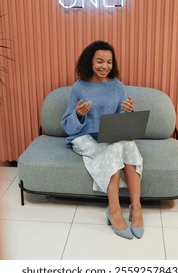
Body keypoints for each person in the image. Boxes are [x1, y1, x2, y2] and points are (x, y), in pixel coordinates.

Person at [61, 40, 144, 239]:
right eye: (99, 61)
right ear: (90, 61)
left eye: (109, 62)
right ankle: (114, 210)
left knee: (129, 145)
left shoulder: (117, 87)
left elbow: (119, 122)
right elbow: (66, 125)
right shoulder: (78, 88)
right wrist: (79, 115)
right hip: (84, 137)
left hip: (108, 136)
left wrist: (127, 112)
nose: (105, 66)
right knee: (115, 151)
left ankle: (137, 208)